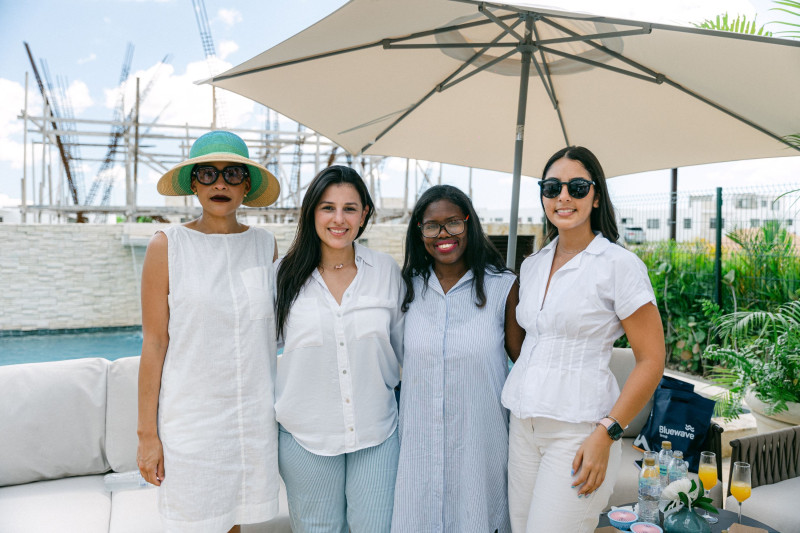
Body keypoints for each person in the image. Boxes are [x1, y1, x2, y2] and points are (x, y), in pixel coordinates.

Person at [501, 146, 665, 533]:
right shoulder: (533, 263)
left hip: (579, 433)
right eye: (552, 187)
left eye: (576, 187)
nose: (563, 197)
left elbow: (652, 360)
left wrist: (607, 433)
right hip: (522, 427)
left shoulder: (619, 266)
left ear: (595, 195)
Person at [137, 130, 282, 533]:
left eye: (233, 173)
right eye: (208, 173)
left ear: (247, 185)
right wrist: (147, 434)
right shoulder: (167, 245)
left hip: (252, 418)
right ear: (194, 184)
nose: (220, 183)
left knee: (237, 522)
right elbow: (154, 343)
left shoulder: (264, 245)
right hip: (192, 421)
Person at [274, 165, 404, 533]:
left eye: (350, 208)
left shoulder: (385, 270)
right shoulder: (281, 277)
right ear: (311, 211)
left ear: (365, 214)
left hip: (377, 433)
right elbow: (257, 358)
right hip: (305, 437)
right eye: (327, 207)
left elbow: (404, 351)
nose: (338, 218)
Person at [392, 185, 525, 533]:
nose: (444, 234)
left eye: (453, 223)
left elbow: (527, 364)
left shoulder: (503, 287)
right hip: (419, 447)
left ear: (469, 223)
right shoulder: (405, 288)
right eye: (432, 226)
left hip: (480, 446)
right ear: (419, 232)